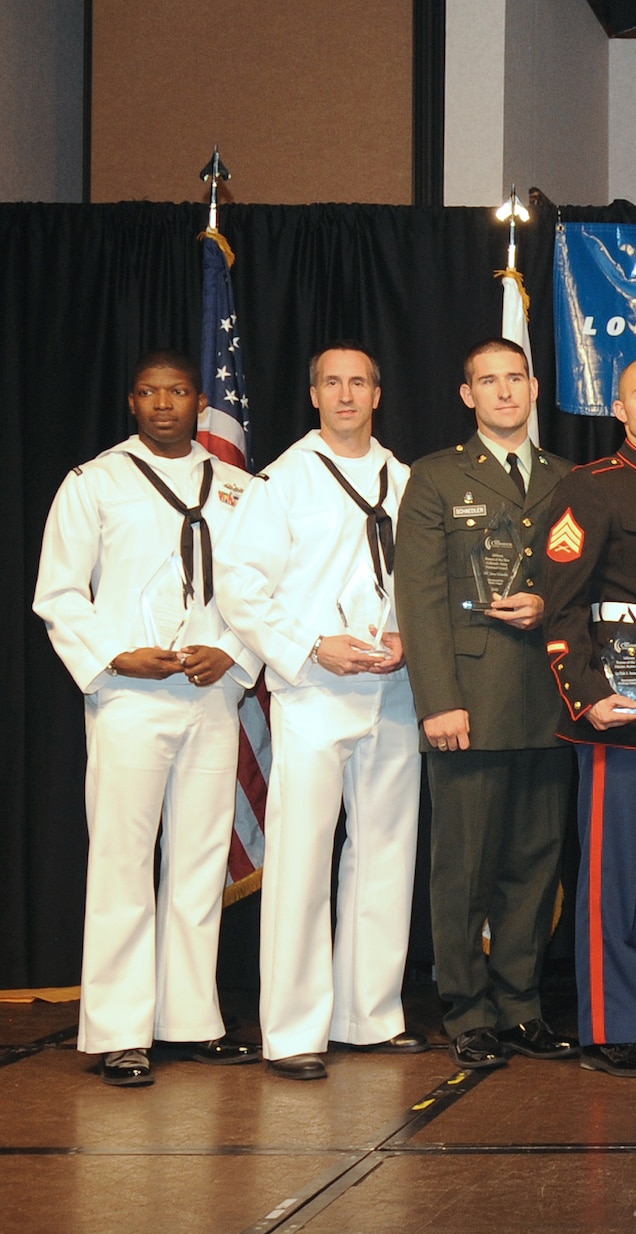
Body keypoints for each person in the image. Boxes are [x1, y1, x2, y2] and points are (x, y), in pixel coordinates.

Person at [34, 350, 263, 1086]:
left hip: (208, 695)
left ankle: (190, 1020)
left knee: (198, 861)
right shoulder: (93, 483)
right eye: (147, 392)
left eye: (177, 391)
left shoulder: (240, 488)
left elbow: (263, 594)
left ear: (200, 401)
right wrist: (113, 655)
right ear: (131, 401)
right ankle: (120, 1029)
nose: (163, 404)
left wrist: (230, 652)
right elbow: (60, 593)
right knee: (124, 862)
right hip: (129, 696)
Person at [215, 342, 423, 1080]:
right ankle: (295, 1030)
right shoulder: (282, 481)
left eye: (358, 382)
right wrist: (308, 646)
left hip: (395, 690)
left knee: (386, 853)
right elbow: (240, 588)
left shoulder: (407, 480)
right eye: (331, 383)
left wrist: (412, 636)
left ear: (377, 393)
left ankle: (370, 1014)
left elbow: (425, 583)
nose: (345, 395)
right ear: (313, 395)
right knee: (301, 860)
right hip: (314, 690)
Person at [394, 338, 578, 1073]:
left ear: (534, 387)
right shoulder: (436, 477)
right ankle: (467, 1010)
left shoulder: (568, 478)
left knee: (534, 866)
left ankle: (522, 1005)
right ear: (467, 395)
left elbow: (583, 583)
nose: (504, 393)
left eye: (515, 379)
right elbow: (421, 594)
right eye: (487, 382)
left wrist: (550, 603)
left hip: (548, 701)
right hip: (469, 702)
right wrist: (439, 700)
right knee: (464, 869)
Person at [537, 356, 636, 1079]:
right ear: (619, 408)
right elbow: (561, 604)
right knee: (615, 874)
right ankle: (609, 1024)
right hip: (615, 703)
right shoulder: (590, 488)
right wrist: (583, 693)